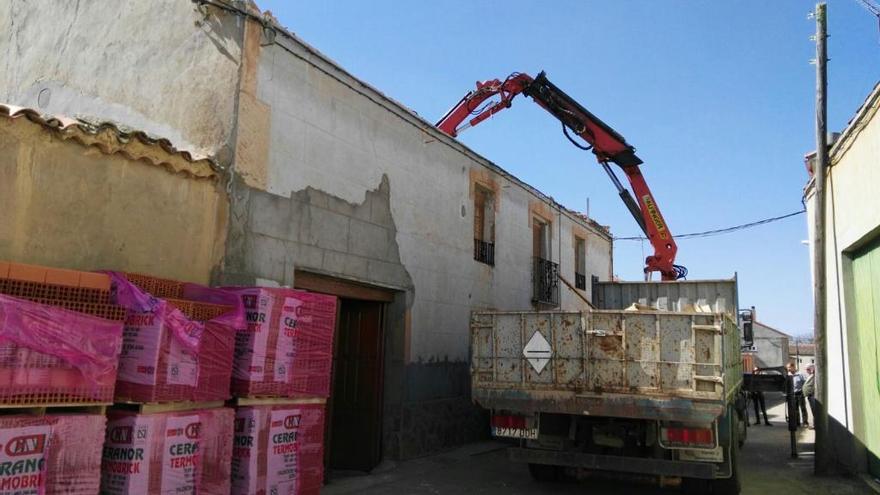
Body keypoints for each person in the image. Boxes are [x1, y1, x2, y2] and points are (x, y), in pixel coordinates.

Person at [786, 361, 809, 428]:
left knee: (803, 408)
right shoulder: (788, 375)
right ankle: (797, 422)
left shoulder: (800, 374)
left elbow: (805, 383)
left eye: (789, 367)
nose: (788, 369)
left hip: (800, 393)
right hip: (792, 394)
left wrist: (804, 392)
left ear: (793, 367)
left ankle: (805, 422)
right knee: (795, 409)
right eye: (787, 368)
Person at [803, 364, 816, 430]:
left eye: (807, 369)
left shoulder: (815, 375)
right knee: (814, 411)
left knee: (815, 411)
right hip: (810, 396)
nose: (806, 371)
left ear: (811, 369)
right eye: (806, 370)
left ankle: (816, 425)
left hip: (813, 396)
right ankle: (815, 425)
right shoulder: (811, 375)